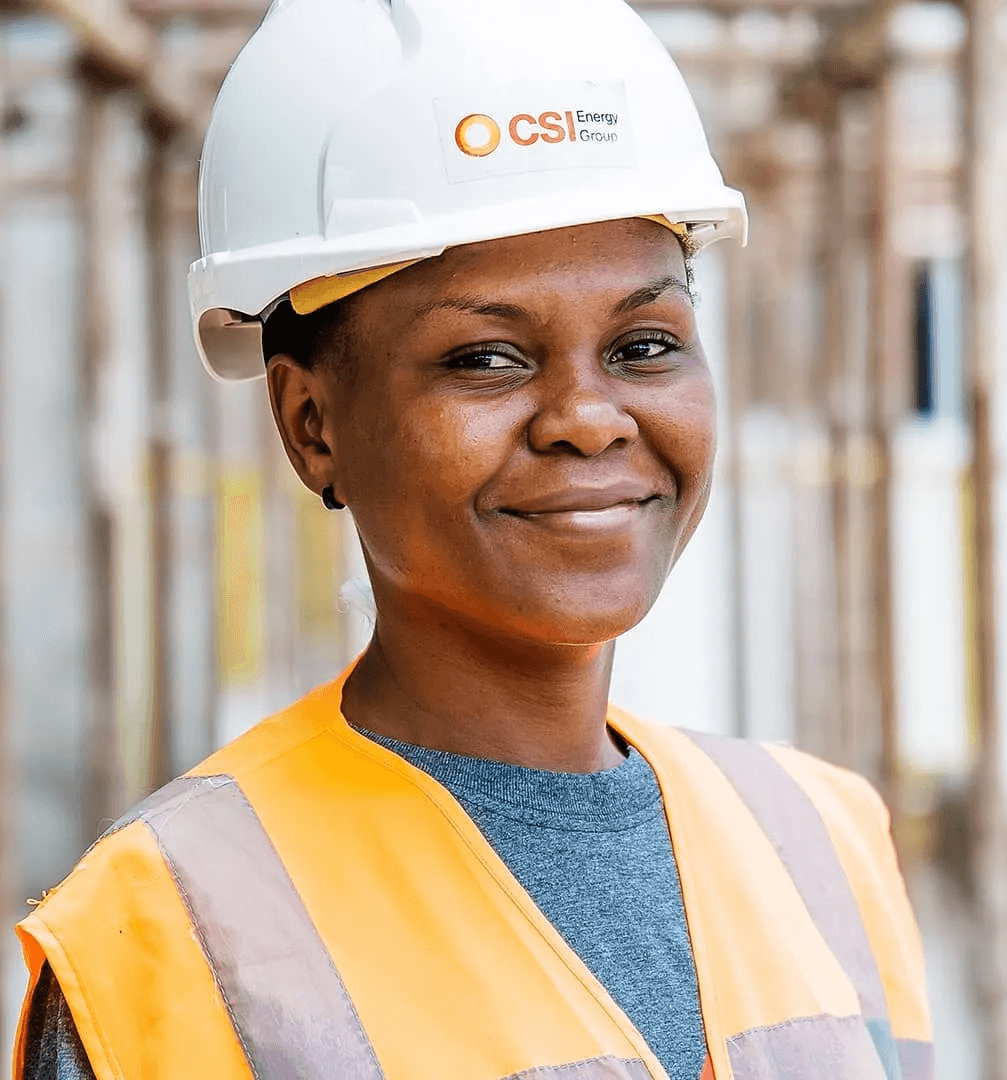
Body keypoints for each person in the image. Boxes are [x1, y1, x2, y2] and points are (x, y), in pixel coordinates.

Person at [13, 0, 934, 1078]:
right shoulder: (167, 930)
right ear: (312, 426)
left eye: (644, 345)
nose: (590, 416)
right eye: (486, 359)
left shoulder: (824, 839)